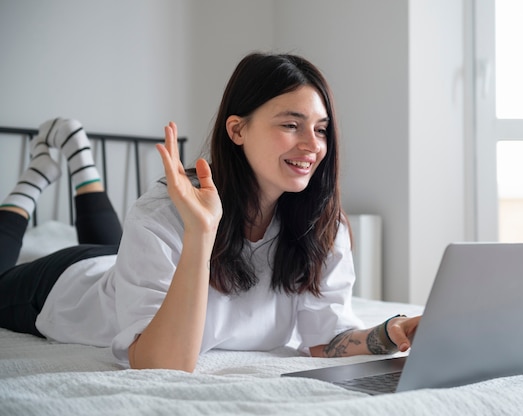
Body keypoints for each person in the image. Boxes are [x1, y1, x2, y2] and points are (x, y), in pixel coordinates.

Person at [0, 52, 420, 372]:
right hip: (61, 288)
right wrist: (202, 234)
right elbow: (161, 365)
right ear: (237, 129)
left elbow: (324, 339)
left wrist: (389, 334)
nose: (313, 145)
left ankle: (75, 157)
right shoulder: (164, 211)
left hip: (119, 262)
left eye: (321, 128)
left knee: (110, 244)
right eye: (291, 125)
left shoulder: (320, 226)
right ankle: (32, 184)